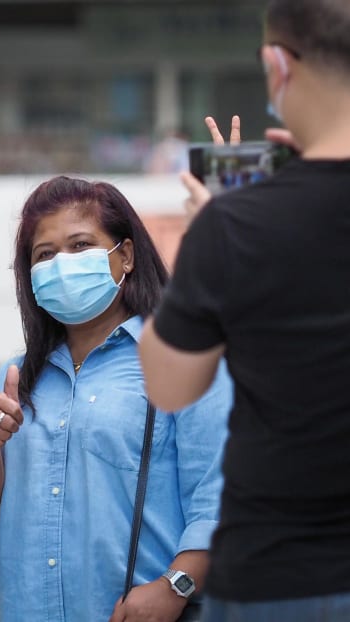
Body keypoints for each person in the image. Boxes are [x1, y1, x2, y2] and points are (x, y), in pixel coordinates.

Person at [139, 0, 350, 619]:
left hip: (282, 575)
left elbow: (169, 384)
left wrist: (215, 241)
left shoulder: (234, 227)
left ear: (277, 64)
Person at [0, 176, 232, 621]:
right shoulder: (17, 376)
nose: (63, 263)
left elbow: (218, 496)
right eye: (45, 254)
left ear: (127, 256)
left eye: (80, 245)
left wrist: (174, 588)